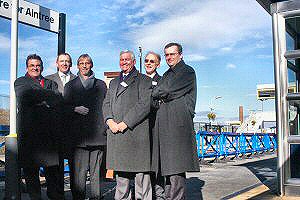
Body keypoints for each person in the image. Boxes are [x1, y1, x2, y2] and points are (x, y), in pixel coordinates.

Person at [151, 43, 200, 200]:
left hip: (177, 126)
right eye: (166, 55)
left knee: (175, 169)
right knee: (166, 168)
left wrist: (160, 92)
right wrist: (159, 92)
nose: (169, 57)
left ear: (181, 55)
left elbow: (165, 91)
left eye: (172, 54)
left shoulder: (187, 71)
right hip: (165, 125)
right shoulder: (166, 74)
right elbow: (158, 92)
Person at [103, 50, 153, 200]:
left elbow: (144, 105)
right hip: (117, 136)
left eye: (127, 59)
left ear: (133, 61)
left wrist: (125, 123)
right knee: (121, 181)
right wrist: (109, 120)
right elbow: (106, 103)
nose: (124, 62)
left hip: (135, 137)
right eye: (122, 59)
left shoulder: (144, 80)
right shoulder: (113, 82)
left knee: (141, 181)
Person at [14, 54, 63, 199]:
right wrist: (48, 98)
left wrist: (40, 98)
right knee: (31, 174)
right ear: (27, 67)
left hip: (49, 136)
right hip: (30, 136)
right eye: (32, 66)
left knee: (52, 174)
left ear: (41, 66)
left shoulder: (51, 83)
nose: (35, 68)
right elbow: (25, 96)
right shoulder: (20, 82)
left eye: (38, 65)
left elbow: (57, 99)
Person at [63, 54, 107, 200]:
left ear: (91, 65)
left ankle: (96, 198)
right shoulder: (70, 86)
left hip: (98, 137)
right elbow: (64, 108)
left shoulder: (101, 85)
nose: (84, 66)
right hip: (78, 138)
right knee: (78, 176)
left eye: (87, 63)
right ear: (77, 66)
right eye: (81, 63)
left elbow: (106, 107)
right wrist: (75, 108)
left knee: (96, 175)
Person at [45, 52, 76, 194]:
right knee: (54, 167)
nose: (64, 63)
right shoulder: (48, 80)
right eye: (62, 61)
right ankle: (56, 195)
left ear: (70, 63)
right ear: (56, 63)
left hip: (74, 132)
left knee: (75, 167)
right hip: (53, 131)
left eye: (67, 61)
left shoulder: (78, 80)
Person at [144, 52, 165, 200]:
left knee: (156, 165)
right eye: (146, 60)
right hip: (140, 129)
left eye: (152, 61)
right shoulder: (138, 80)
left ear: (158, 64)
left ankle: (159, 194)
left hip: (155, 127)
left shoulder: (163, 81)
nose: (149, 63)